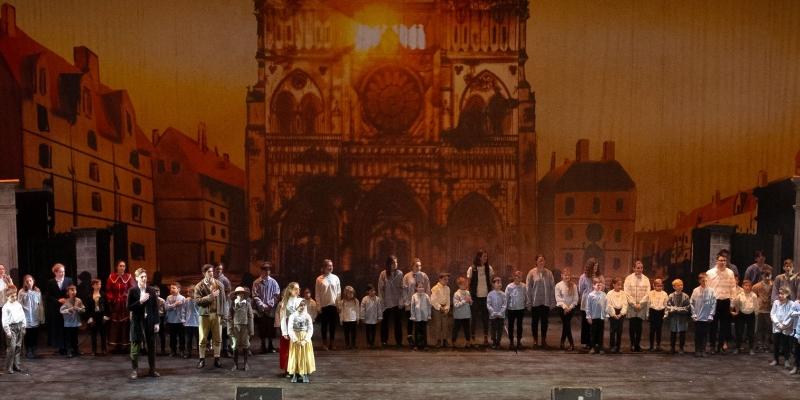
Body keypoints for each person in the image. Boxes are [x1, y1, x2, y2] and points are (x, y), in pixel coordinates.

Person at [127, 268, 160, 379]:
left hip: (149, 322)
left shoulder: (151, 290)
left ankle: (152, 369)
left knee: (151, 347)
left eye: (145, 276)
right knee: (135, 347)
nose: (144, 279)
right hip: (137, 322)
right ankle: (135, 370)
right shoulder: (132, 291)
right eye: (142, 277)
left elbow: (155, 308)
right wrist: (140, 301)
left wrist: (157, 323)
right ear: (136, 278)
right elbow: (129, 307)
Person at [194, 264, 227, 369]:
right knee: (203, 337)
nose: (211, 273)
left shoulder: (219, 285)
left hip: (216, 314)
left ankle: (217, 359)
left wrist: (224, 316)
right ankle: (202, 359)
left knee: (217, 338)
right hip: (204, 314)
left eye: (212, 271)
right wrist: (211, 297)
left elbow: (223, 301)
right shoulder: (199, 286)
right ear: (204, 273)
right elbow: (198, 301)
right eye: (209, 271)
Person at [706, 252, 736, 354]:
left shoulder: (730, 273)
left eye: (724, 260)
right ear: (716, 261)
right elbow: (707, 288)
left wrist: (732, 303)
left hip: (725, 301)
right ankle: (712, 346)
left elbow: (733, 288)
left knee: (724, 326)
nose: (722, 262)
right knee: (713, 325)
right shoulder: (710, 273)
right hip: (714, 301)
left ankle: (721, 346)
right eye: (721, 260)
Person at [525, 254, 556, 349]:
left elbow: (552, 288)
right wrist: (529, 302)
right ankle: (535, 340)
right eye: (539, 260)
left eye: (543, 260)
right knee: (534, 321)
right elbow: (528, 288)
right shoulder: (531, 273)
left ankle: (543, 339)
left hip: (545, 301)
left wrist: (551, 301)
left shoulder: (549, 273)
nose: (541, 262)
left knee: (544, 321)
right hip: (535, 301)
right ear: (536, 262)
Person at [252, 262, 280, 354]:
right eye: (265, 269)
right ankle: (263, 345)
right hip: (261, 310)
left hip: (271, 309)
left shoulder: (274, 282)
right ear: (262, 270)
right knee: (262, 327)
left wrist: (269, 304)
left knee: (271, 327)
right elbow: (255, 295)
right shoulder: (256, 282)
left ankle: (271, 344)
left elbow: (276, 295)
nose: (267, 271)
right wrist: (262, 305)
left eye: (268, 270)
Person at [106, 260, 134, 353]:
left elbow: (131, 289)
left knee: (125, 323)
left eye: (123, 266)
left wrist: (130, 301)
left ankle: (125, 346)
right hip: (115, 303)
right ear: (116, 267)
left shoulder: (128, 276)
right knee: (115, 324)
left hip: (125, 303)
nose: (122, 267)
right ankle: (115, 346)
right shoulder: (111, 277)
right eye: (120, 266)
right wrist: (111, 300)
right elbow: (109, 290)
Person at [467, 250, 493, 347]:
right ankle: (472, 337)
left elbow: (490, 282)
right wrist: (468, 295)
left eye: (486, 257)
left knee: (485, 317)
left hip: (486, 296)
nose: (485, 258)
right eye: (484, 257)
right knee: (474, 317)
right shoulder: (472, 268)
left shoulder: (489, 268)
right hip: (475, 296)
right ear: (479, 257)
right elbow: (468, 283)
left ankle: (485, 337)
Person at [403, 258, 431, 347]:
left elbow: (427, 289)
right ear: (412, 266)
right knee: (410, 320)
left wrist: (427, 302)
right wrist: (406, 302)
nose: (419, 267)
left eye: (420, 265)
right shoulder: (407, 276)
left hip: (421, 303)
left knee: (421, 321)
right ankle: (410, 337)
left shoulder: (424, 276)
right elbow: (404, 290)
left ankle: (421, 339)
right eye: (416, 266)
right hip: (411, 303)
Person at [46, 263, 72, 355]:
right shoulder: (51, 282)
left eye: (63, 271)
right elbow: (48, 296)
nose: (62, 273)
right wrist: (58, 300)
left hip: (67, 307)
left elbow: (72, 291)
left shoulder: (69, 280)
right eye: (60, 272)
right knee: (58, 328)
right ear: (55, 272)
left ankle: (69, 346)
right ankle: (61, 347)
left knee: (67, 327)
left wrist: (67, 299)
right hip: (56, 308)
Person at [315, 259, 341, 351]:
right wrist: (318, 306)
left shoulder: (336, 278)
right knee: (324, 325)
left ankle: (332, 342)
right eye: (328, 266)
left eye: (331, 265)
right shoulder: (319, 279)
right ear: (324, 267)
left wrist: (339, 304)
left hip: (333, 304)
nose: (330, 267)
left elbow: (338, 292)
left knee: (333, 325)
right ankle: (324, 342)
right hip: (324, 305)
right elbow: (317, 294)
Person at [624, 260, 650, 352]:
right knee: (632, 325)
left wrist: (640, 304)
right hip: (632, 306)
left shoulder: (646, 279)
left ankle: (637, 344)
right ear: (634, 268)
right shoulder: (628, 279)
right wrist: (633, 304)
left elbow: (647, 293)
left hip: (641, 306)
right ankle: (632, 344)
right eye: (638, 268)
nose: (640, 270)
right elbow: (626, 293)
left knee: (639, 326)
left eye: (641, 268)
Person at [378, 255, 404, 348]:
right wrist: (382, 302)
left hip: (396, 301)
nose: (395, 265)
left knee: (398, 322)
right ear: (389, 264)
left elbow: (402, 288)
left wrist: (401, 300)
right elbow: (381, 289)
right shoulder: (383, 274)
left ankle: (399, 341)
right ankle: (384, 340)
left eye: (396, 262)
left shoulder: (400, 274)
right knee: (385, 322)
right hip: (387, 300)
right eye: (393, 263)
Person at [287, 300, 315, 383]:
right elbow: (290, 329)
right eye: (300, 305)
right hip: (296, 338)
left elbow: (310, 329)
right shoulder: (292, 316)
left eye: (303, 305)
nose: (302, 307)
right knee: (295, 355)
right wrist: (295, 340)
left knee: (304, 355)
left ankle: (305, 373)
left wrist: (306, 340)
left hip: (304, 337)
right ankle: (295, 373)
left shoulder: (307, 316)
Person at [578, 258, 603, 350]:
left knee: (596, 323)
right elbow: (581, 290)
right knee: (586, 323)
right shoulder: (583, 277)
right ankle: (587, 342)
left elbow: (602, 289)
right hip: (586, 302)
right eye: (594, 266)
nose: (595, 268)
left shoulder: (600, 277)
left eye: (596, 266)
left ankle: (595, 342)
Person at [278, 282, 302, 377]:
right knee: (287, 350)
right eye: (295, 289)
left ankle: (298, 369)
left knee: (297, 349)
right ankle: (288, 369)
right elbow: (283, 317)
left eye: (298, 289)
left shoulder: (301, 301)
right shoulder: (285, 302)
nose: (297, 291)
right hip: (289, 326)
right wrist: (284, 332)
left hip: (298, 327)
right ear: (290, 290)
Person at [228, 286, 254, 371]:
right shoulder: (233, 304)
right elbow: (229, 317)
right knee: (235, 345)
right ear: (236, 295)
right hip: (235, 327)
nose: (240, 295)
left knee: (245, 345)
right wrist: (230, 328)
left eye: (242, 293)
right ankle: (235, 364)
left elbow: (250, 317)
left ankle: (246, 363)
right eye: (238, 293)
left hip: (245, 327)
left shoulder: (247, 304)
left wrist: (250, 329)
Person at [691, 272, 716, 357]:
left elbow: (713, 303)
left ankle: (703, 349)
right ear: (699, 281)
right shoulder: (695, 290)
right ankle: (697, 349)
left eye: (706, 281)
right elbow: (692, 303)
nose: (704, 283)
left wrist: (711, 315)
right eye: (702, 281)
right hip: (698, 317)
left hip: (706, 317)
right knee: (698, 334)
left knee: (705, 334)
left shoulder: (712, 291)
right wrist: (693, 315)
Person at [18, 275, 42, 359]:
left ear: (33, 281)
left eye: (30, 281)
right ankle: (28, 350)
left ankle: (34, 349)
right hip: (26, 316)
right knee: (28, 334)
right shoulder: (22, 292)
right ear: (25, 283)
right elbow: (19, 305)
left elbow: (40, 304)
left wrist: (41, 316)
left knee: (35, 334)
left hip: (35, 315)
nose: (29, 283)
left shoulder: (37, 291)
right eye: (27, 281)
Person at [770, 286, 794, 369]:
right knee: (776, 343)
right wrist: (777, 323)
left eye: (782, 294)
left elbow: (790, 316)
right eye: (779, 293)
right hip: (777, 327)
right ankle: (776, 359)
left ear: (787, 294)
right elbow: (772, 313)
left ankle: (786, 360)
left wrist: (783, 325)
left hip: (786, 328)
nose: (779, 295)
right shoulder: (776, 302)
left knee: (786, 344)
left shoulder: (791, 304)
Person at [731, 279, 757, 355]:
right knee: (739, 331)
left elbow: (756, 305)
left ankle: (751, 348)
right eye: (746, 286)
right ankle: (737, 347)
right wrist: (733, 311)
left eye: (749, 286)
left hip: (751, 314)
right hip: (741, 314)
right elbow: (734, 304)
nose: (747, 287)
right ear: (743, 286)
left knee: (751, 332)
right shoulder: (739, 296)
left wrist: (755, 313)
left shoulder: (753, 295)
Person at [554, 268, 578, 350]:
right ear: (562, 276)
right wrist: (564, 307)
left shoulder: (574, 286)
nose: (567, 277)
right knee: (566, 325)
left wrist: (569, 308)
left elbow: (576, 299)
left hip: (571, 309)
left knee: (566, 325)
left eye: (568, 275)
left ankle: (563, 343)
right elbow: (558, 297)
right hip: (562, 308)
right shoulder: (558, 285)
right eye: (565, 275)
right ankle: (570, 344)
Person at [3, 285, 24, 374]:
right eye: (12, 296)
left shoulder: (18, 305)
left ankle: (16, 365)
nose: (14, 297)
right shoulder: (6, 307)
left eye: (15, 296)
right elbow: (4, 320)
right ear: (7, 297)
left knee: (18, 346)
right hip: (11, 327)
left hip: (18, 326)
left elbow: (22, 316)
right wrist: (7, 331)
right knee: (12, 347)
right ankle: (9, 367)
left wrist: (23, 327)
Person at [665, 279, 690, 354]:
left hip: (682, 317)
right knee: (673, 333)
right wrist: (673, 309)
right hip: (674, 317)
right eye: (678, 285)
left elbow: (687, 307)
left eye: (681, 285)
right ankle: (672, 347)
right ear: (674, 287)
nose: (680, 286)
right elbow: (668, 306)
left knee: (682, 333)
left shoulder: (685, 296)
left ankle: (681, 347)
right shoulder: (671, 296)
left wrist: (678, 309)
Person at [752, 266, 774, 353]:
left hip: (769, 310)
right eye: (765, 276)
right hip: (760, 310)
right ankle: (760, 345)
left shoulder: (774, 285)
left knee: (768, 329)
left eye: (769, 275)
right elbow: (753, 297)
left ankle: (767, 345)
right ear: (762, 276)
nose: (767, 278)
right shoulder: (756, 286)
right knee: (759, 329)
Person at [213, 262, 233, 357]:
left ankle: (225, 348)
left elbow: (229, 292)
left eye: (221, 269)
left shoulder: (224, 280)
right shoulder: (210, 279)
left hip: (223, 306)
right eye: (218, 269)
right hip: (213, 307)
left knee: (224, 328)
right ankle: (216, 349)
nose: (219, 271)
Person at [85, 278, 108, 356]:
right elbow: (87, 308)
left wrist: (106, 317)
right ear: (93, 285)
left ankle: (104, 349)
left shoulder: (104, 294)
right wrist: (90, 318)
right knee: (93, 335)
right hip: (93, 316)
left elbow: (107, 307)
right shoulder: (89, 295)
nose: (99, 286)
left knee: (103, 334)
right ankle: (94, 350)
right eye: (97, 284)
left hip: (101, 316)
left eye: (100, 284)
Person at [60, 284, 84, 358]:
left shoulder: (78, 300)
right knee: (68, 337)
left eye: (75, 290)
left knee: (75, 337)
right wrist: (69, 310)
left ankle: (75, 349)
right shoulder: (66, 301)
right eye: (72, 290)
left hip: (75, 322)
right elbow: (61, 310)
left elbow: (83, 309)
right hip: (68, 323)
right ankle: (69, 351)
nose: (73, 292)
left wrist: (78, 309)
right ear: (68, 292)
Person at [506, 270, 527, 350]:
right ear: (514, 277)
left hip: (520, 308)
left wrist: (525, 303)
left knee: (519, 325)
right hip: (511, 308)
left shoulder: (523, 286)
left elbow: (525, 296)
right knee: (511, 325)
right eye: (518, 277)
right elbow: (507, 297)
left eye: (521, 277)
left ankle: (519, 341)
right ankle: (511, 341)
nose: (520, 279)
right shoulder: (509, 287)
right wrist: (506, 306)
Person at [585, 278, 607, 355]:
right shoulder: (590, 295)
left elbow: (606, 306)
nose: (599, 287)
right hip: (593, 317)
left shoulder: (604, 295)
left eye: (600, 285)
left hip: (601, 317)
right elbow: (588, 307)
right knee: (593, 333)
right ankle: (593, 347)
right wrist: (588, 316)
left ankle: (600, 347)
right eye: (597, 285)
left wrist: (606, 315)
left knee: (601, 333)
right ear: (593, 286)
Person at [430, 272, 451, 348]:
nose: (446, 281)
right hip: (437, 309)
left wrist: (447, 307)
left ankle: (445, 340)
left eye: (447, 280)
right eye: (444, 279)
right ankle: (438, 341)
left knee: (445, 325)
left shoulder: (447, 288)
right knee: (438, 325)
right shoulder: (435, 288)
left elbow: (448, 299)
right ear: (440, 279)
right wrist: (439, 307)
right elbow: (433, 300)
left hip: (444, 308)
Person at [606, 277, 627, 354]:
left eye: (621, 285)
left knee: (619, 330)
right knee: (612, 330)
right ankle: (612, 346)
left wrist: (621, 313)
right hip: (613, 312)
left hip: (620, 312)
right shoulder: (610, 293)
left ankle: (619, 346)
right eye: (618, 285)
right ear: (613, 285)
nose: (620, 286)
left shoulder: (623, 293)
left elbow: (625, 304)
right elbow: (609, 304)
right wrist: (613, 314)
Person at [164, 283, 186, 357]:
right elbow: (166, 308)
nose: (172, 290)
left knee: (181, 336)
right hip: (171, 320)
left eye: (174, 288)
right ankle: (173, 350)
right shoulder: (169, 298)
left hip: (180, 321)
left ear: (178, 289)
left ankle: (182, 350)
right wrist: (174, 305)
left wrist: (183, 319)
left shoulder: (182, 298)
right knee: (172, 337)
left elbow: (184, 310)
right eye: (171, 288)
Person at [410, 281, 432, 350]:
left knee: (424, 330)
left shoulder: (426, 296)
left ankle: (425, 344)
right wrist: (412, 315)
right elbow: (412, 307)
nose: (421, 288)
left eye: (422, 287)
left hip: (424, 315)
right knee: (416, 330)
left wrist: (429, 314)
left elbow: (429, 306)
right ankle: (416, 344)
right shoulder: (414, 296)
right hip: (417, 316)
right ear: (416, 288)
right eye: (419, 287)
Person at [647, 278, 668, 352]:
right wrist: (647, 313)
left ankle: (658, 345)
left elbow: (666, 304)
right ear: (654, 286)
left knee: (659, 330)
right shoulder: (651, 293)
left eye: (660, 286)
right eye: (657, 286)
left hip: (660, 312)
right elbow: (648, 304)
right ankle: (651, 345)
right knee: (652, 330)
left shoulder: (664, 294)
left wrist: (665, 314)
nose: (659, 287)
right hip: (653, 312)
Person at [452, 277, 473, 348]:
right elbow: (456, 305)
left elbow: (471, 303)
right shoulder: (456, 294)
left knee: (467, 329)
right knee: (456, 329)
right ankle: (453, 341)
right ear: (459, 285)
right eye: (464, 284)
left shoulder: (467, 292)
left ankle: (468, 341)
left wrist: (470, 301)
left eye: (466, 284)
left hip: (466, 315)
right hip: (459, 315)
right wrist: (464, 301)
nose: (465, 285)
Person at [360, 283, 382, 349]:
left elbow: (379, 308)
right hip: (367, 318)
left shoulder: (377, 299)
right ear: (368, 292)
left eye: (374, 290)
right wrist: (362, 316)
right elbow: (362, 308)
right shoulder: (365, 299)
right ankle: (368, 342)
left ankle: (372, 342)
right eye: (371, 291)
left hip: (374, 318)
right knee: (367, 331)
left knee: (373, 331)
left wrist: (380, 316)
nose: (373, 292)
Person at [487, 277, 506, 349]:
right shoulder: (490, 294)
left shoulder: (503, 294)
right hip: (493, 315)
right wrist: (493, 312)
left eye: (500, 283)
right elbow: (489, 304)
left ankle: (498, 342)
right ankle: (494, 341)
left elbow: (504, 304)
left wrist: (500, 313)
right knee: (493, 328)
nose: (499, 284)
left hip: (501, 315)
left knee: (500, 329)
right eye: (497, 283)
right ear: (493, 284)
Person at [182, 284, 200, 359]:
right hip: (188, 322)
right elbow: (183, 310)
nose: (188, 294)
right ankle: (189, 351)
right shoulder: (186, 300)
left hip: (197, 322)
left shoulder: (198, 300)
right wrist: (183, 319)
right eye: (188, 292)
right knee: (189, 338)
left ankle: (200, 352)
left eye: (190, 292)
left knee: (199, 338)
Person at [339, 286, 359, 350]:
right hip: (346, 319)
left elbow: (357, 310)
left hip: (353, 319)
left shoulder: (355, 301)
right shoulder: (343, 302)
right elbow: (341, 311)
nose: (351, 295)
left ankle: (353, 344)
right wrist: (341, 319)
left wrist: (358, 318)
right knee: (346, 332)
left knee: (353, 332)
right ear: (346, 294)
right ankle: (347, 344)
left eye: (352, 293)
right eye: (350, 293)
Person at [0, 264, 12, 357]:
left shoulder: (6, 280)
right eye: (0, 269)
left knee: (7, 327)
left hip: (7, 306)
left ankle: (8, 349)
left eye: (3, 269)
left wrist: (10, 282)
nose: (2, 270)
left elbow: (12, 291)